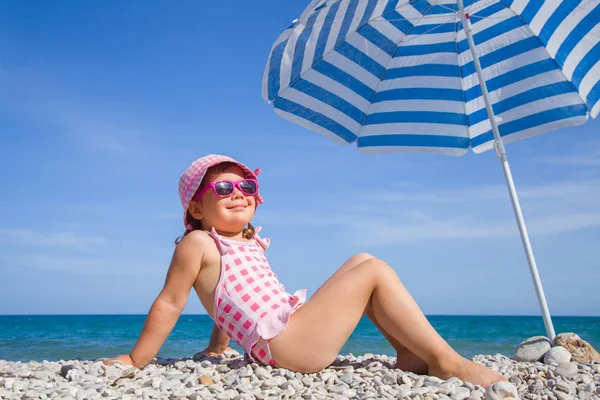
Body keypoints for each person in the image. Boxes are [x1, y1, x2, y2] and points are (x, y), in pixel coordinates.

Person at [106, 154, 507, 388]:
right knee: (375, 271)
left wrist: (217, 348)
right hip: (288, 346)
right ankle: (446, 362)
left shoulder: (247, 243)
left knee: (361, 260)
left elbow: (225, 299)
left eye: (246, 187)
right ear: (196, 208)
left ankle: (408, 352)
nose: (239, 195)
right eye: (223, 190)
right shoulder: (197, 243)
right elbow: (171, 302)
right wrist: (138, 358)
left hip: (287, 333)